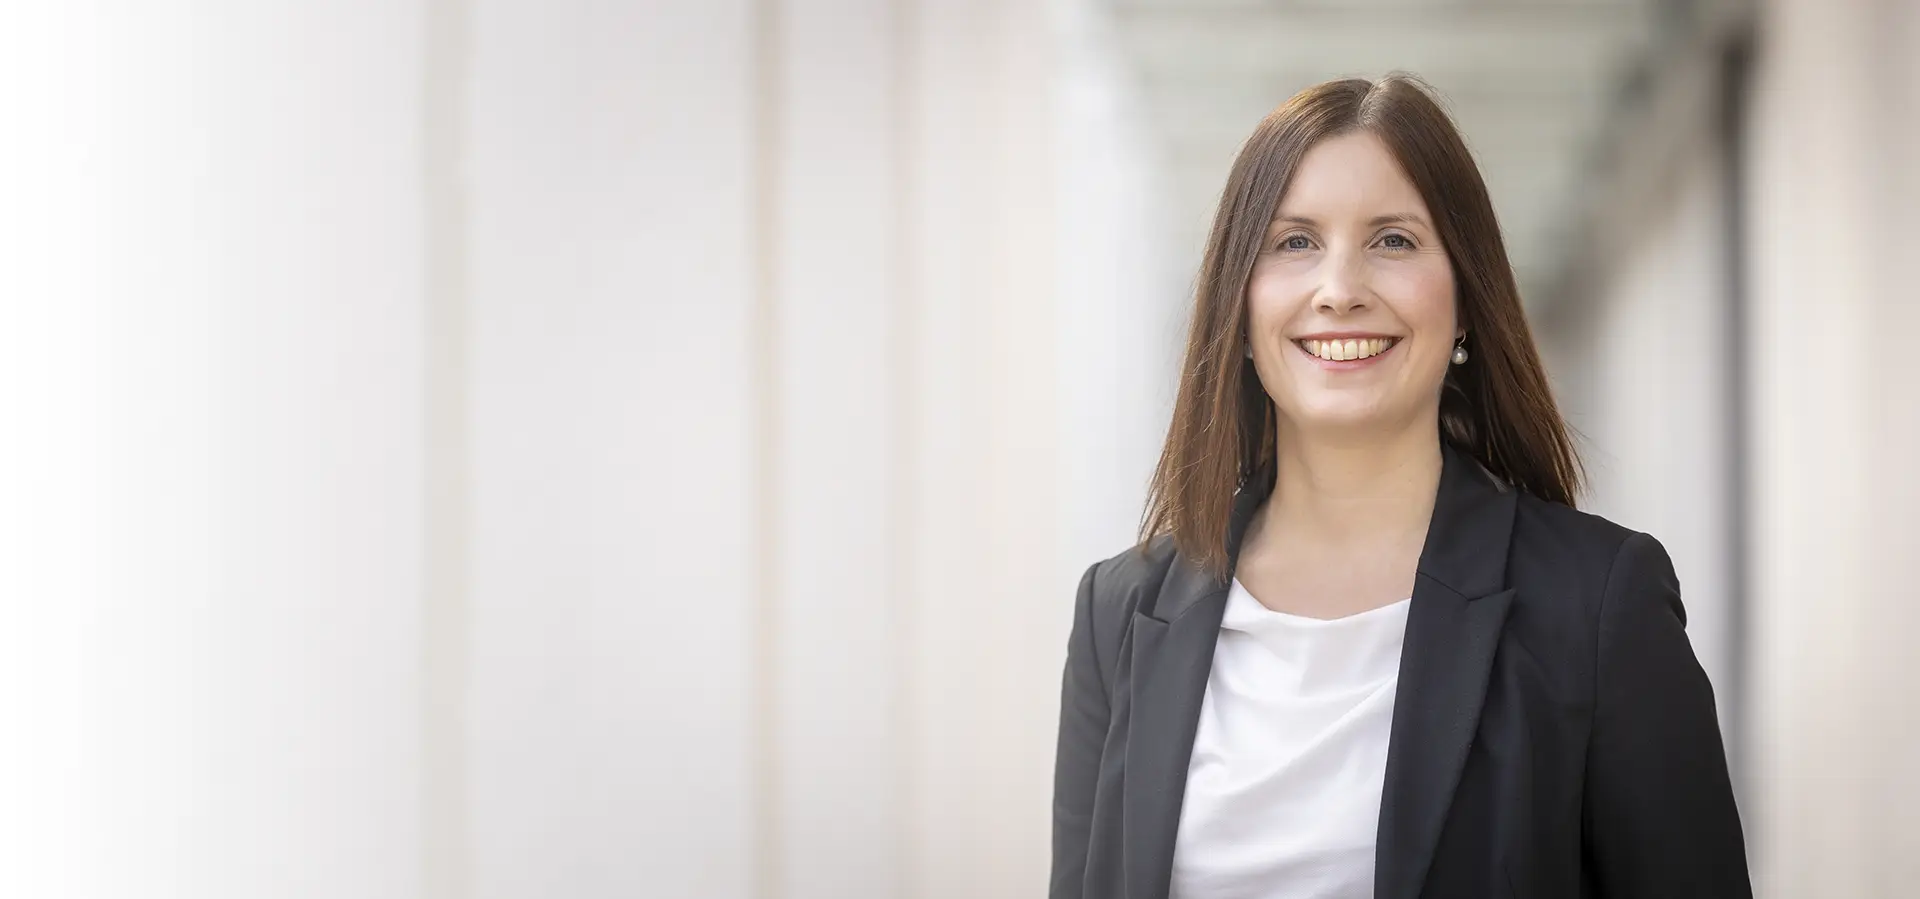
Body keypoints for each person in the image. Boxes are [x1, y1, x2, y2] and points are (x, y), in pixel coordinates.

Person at [1049, 74, 1750, 899]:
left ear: (1466, 299)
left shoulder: (1597, 604)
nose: (1340, 289)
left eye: (1393, 240)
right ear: (1238, 303)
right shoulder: (1120, 612)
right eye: (1294, 242)